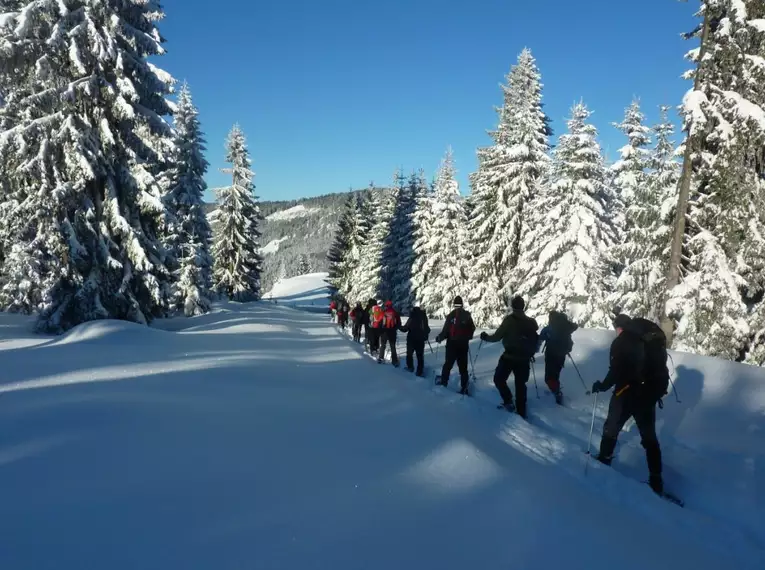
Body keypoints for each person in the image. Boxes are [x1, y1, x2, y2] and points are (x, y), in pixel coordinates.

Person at [591, 314, 664, 496]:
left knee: (612, 426)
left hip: (625, 393)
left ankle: (604, 458)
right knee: (649, 438)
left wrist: (602, 385)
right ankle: (656, 480)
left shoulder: (621, 342)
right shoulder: (648, 340)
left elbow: (615, 371)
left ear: (620, 328)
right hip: (648, 393)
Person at [480, 295, 538, 418]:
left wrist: (485, 337)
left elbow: (497, 337)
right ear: (523, 306)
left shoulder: (509, 320)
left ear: (512, 306)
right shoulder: (531, 322)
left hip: (509, 357)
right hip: (524, 358)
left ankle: (508, 401)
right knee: (520, 384)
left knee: (499, 379)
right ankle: (522, 412)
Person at [435, 296, 475, 395]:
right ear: (462, 304)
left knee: (448, 365)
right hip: (463, 345)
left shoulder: (451, 315)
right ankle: (464, 388)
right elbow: (472, 328)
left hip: (452, 345)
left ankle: (444, 383)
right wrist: (468, 337)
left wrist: (439, 338)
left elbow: (445, 331)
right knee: (463, 368)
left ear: (454, 304)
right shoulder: (467, 315)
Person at [537, 310, 579, 405]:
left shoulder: (548, 329)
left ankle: (556, 392)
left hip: (551, 354)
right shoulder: (566, 327)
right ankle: (556, 390)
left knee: (548, 377)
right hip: (562, 355)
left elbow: (539, 340)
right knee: (555, 375)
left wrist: (532, 352)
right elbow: (575, 326)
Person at [399, 305, 430, 376]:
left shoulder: (412, 317)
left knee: (409, 354)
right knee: (420, 356)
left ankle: (410, 367)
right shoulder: (424, 317)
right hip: (420, 339)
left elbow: (405, 328)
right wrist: (425, 336)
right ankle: (420, 371)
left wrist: (399, 327)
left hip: (411, 339)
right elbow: (426, 328)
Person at [378, 300, 401, 366]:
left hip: (384, 332)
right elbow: (399, 323)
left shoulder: (383, 313)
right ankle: (394, 361)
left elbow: (380, 322)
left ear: (386, 305)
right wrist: (395, 328)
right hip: (392, 332)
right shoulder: (395, 313)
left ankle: (381, 358)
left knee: (383, 345)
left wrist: (380, 331)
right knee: (392, 346)